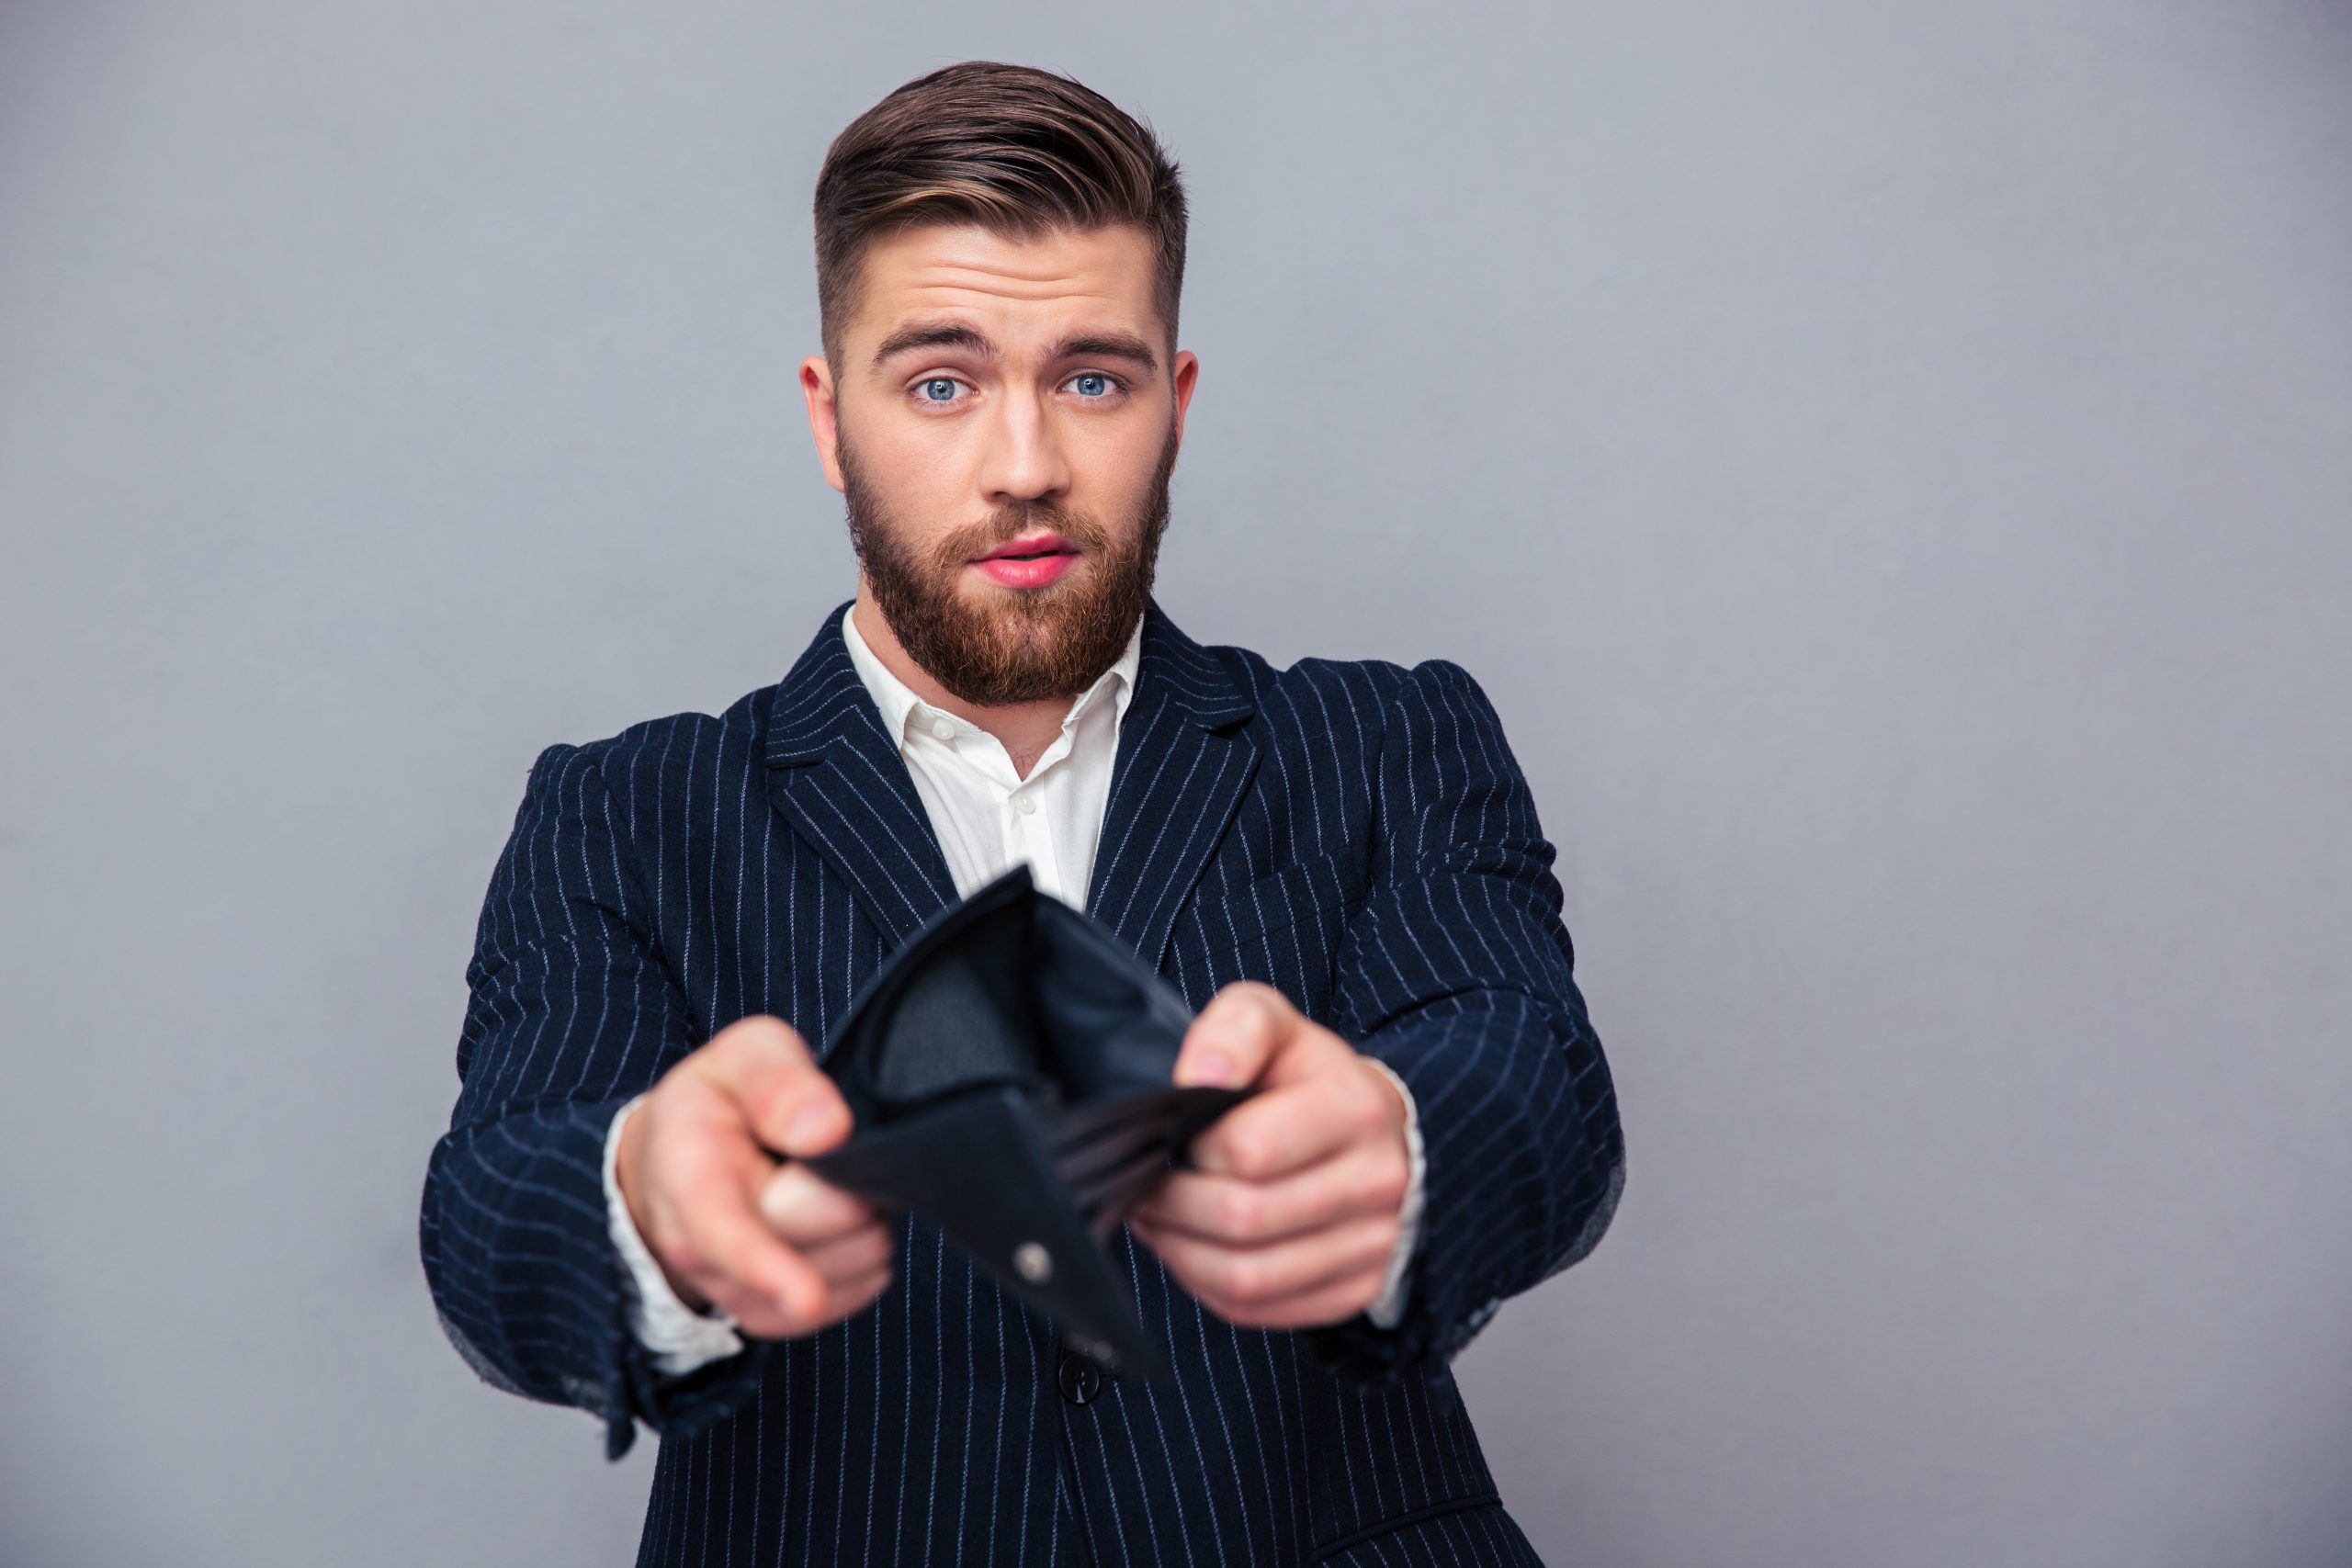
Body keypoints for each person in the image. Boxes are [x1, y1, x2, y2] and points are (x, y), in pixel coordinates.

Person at [418, 58, 1624, 1568]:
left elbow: (1537, 1074)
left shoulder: (1385, 739)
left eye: (1092, 378)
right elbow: (490, 1207)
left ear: (1174, 404)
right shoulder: (624, 813)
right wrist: (645, 1198)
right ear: (829, 417)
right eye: (941, 381)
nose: (1027, 466)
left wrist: (1401, 1139)